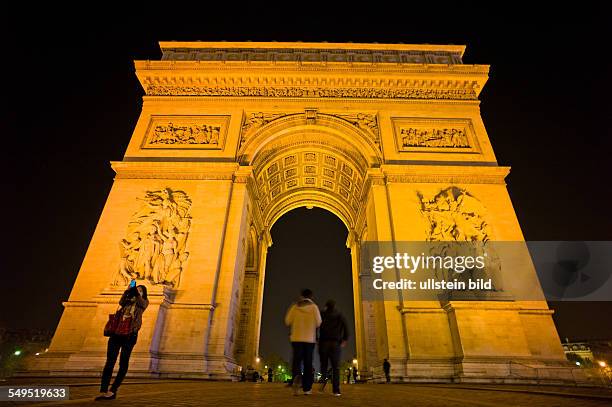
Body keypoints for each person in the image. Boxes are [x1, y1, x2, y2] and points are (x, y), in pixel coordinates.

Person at [95, 284, 148, 401]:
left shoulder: (143, 303)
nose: (137, 292)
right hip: (117, 333)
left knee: (123, 363)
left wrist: (135, 292)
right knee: (109, 362)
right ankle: (103, 390)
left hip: (130, 335)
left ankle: (113, 390)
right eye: (137, 290)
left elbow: (141, 301)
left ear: (144, 294)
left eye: (140, 291)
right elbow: (121, 302)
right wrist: (127, 290)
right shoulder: (127, 301)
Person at [285, 288, 322, 396]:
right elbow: (319, 322)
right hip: (309, 339)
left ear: (301, 296)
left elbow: (287, 321)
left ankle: (296, 377)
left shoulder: (295, 307)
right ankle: (307, 388)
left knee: (297, 361)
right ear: (311, 297)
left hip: (296, 338)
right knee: (308, 363)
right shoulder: (314, 307)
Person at [318, 300, 349, 396]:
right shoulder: (339, 315)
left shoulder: (322, 314)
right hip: (335, 343)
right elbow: (346, 327)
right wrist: (345, 339)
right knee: (336, 367)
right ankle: (336, 390)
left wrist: (315, 337)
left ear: (326, 306)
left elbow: (316, 325)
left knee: (324, 364)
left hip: (323, 342)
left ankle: (323, 382)